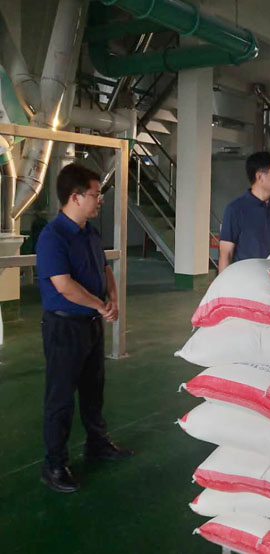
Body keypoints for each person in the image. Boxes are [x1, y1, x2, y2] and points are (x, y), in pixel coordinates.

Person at [36, 163, 133, 493]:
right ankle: (54, 464)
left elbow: (104, 268)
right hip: (64, 327)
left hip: (91, 324)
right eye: (95, 194)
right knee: (61, 397)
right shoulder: (53, 236)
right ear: (75, 197)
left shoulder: (89, 232)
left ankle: (97, 443)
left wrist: (113, 298)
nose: (99, 200)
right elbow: (64, 286)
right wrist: (100, 305)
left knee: (93, 389)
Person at [218, 151, 270, 272]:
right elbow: (226, 254)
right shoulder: (236, 209)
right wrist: (224, 283)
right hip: (248, 279)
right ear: (259, 177)